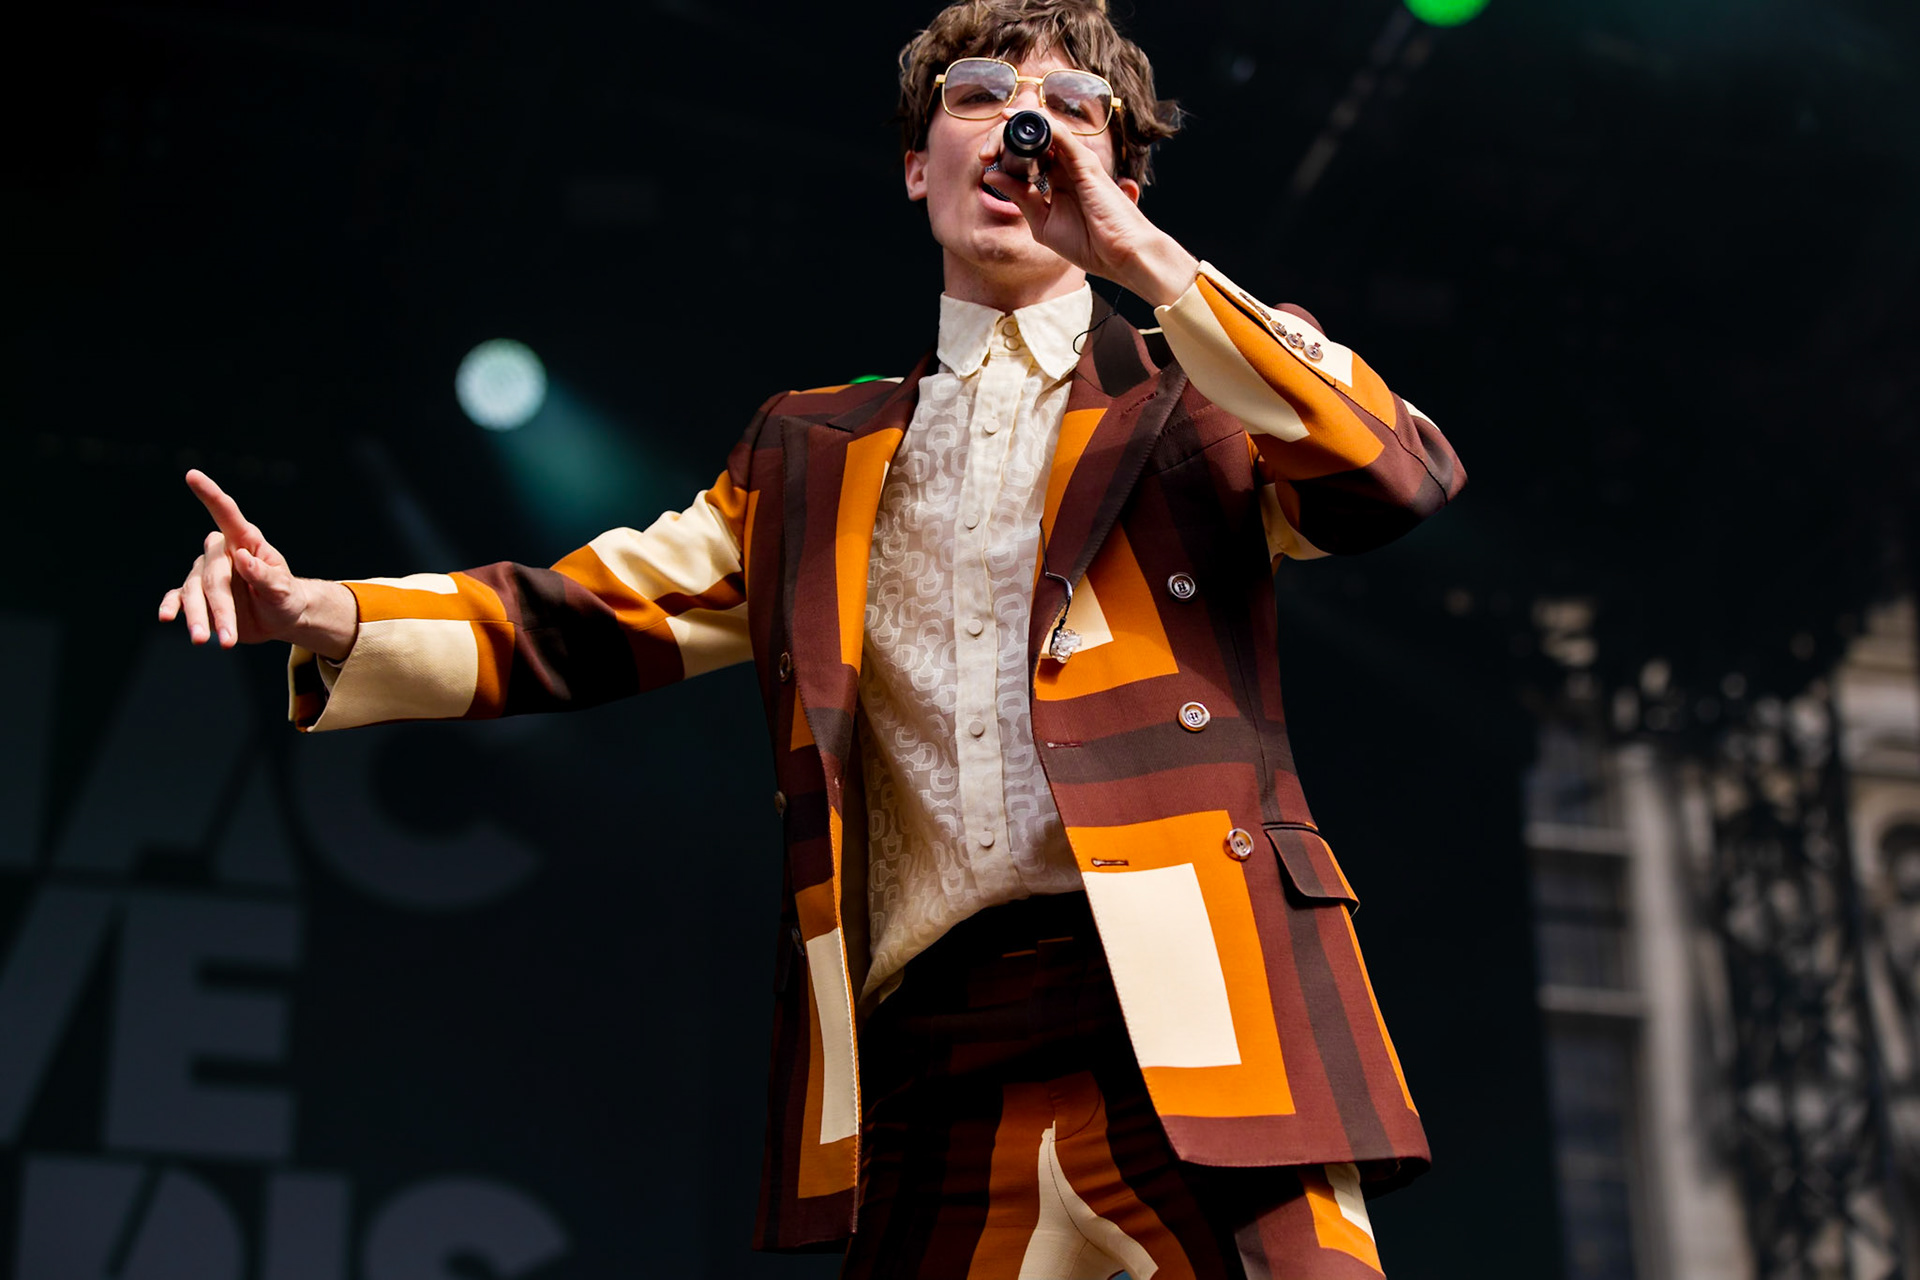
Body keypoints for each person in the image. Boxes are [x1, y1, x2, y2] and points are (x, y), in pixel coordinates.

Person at [158, 1, 1464, 1274]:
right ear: (916, 166)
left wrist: (1142, 257)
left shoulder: (1207, 380)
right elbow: (589, 614)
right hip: (929, 1038)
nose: (1026, 133)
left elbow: (1390, 476)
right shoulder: (814, 450)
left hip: (1199, 999)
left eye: (1071, 112)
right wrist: (321, 608)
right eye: (979, 102)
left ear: (1118, 172)